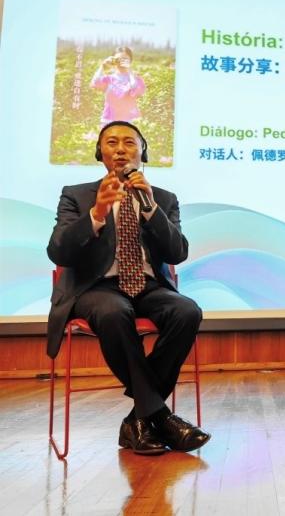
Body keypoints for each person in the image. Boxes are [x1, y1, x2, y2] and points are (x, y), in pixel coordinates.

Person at [47, 121, 210, 454]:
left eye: (129, 143)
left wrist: (150, 208)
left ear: (142, 152)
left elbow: (177, 252)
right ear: (100, 152)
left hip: (148, 286)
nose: (120, 149)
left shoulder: (163, 198)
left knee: (186, 311)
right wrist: (97, 213)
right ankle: (161, 417)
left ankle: (138, 420)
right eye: (111, 142)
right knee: (113, 311)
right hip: (95, 288)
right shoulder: (76, 195)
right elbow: (58, 251)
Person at [90, 46, 146, 124]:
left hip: (130, 120)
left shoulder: (136, 79)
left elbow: (136, 90)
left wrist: (129, 70)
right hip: (109, 120)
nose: (121, 62)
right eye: (118, 59)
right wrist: (103, 66)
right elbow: (94, 83)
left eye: (125, 59)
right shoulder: (109, 79)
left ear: (130, 61)